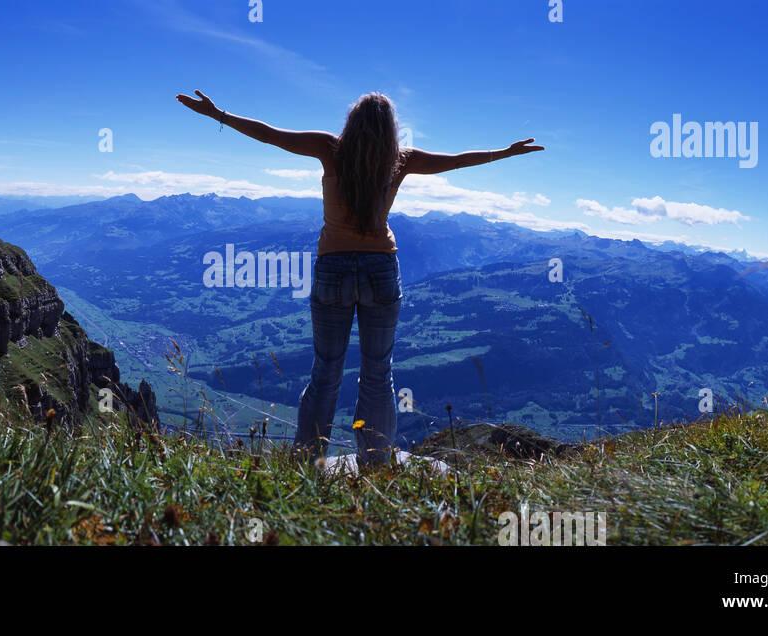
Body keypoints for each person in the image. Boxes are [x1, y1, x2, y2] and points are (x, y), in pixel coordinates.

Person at [176, 89, 543, 468]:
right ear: (390, 128)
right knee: (378, 373)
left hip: (333, 268)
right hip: (380, 270)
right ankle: (376, 464)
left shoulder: (329, 148)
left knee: (325, 373)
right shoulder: (401, 160)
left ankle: (305, 464)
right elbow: (456, 162)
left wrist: (218, 114)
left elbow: (269, 134)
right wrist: (504, 153)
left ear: (352, 121)